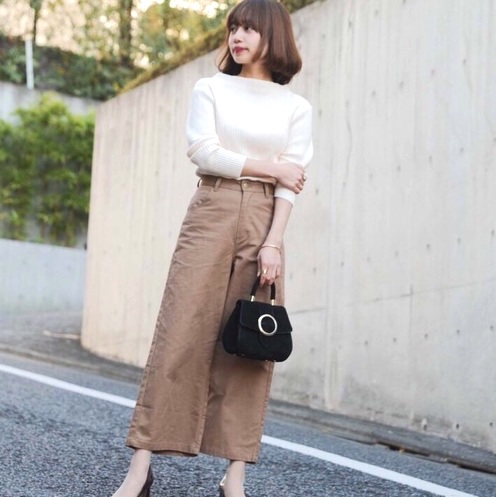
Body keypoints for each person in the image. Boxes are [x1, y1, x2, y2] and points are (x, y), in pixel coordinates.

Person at [111, 0, 312, 496]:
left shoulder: (296, 107)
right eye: (233, 28)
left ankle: (234, 478)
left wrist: (273, 243)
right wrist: (271, 167)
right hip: (212, 208)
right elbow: (203, 151)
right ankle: (140, 468)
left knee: (250, 344)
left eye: (248, 29)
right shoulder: (211, 88)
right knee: (179, 332)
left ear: (272, 35)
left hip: (264, 219)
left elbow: (291, 185)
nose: (237, 36)